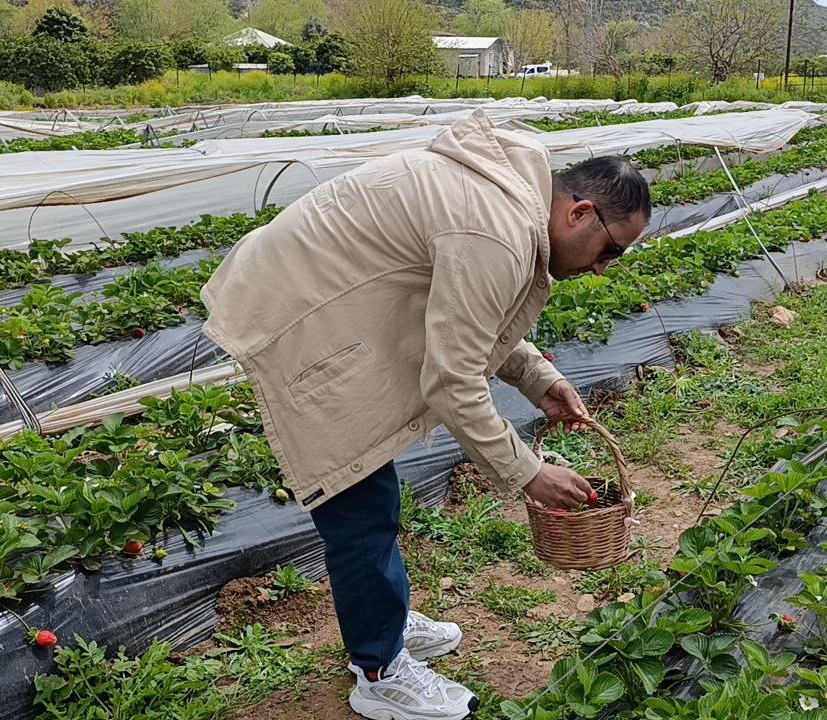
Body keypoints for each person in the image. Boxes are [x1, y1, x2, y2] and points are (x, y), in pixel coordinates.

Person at [200, 108, 651, 720]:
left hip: (333, 300)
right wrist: (526, 471)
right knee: (357, 493)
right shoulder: (497, 230)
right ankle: (380, 670)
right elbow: (453, 376)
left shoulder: (508, 202)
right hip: (296, 316)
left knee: (371, 491)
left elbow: (465, 320)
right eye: (610, 251)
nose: (603, 267)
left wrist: (538, 377)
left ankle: (381, 616)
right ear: (579, 213)